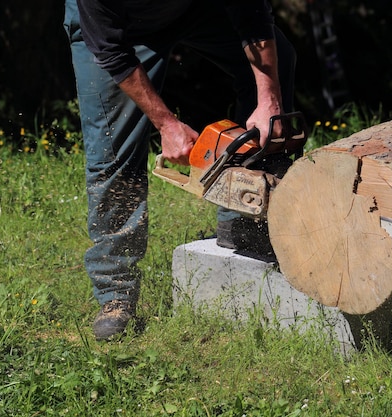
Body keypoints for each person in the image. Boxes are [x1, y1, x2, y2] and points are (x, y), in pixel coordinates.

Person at [63, 0, 297, 340]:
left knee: (279, 60)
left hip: (193, 10)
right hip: (117, 28)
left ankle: (246, 219)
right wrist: (167, 125)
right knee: (111, 148)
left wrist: (269, 101)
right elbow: (110, 50)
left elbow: (251, 13)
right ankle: (115, 291)